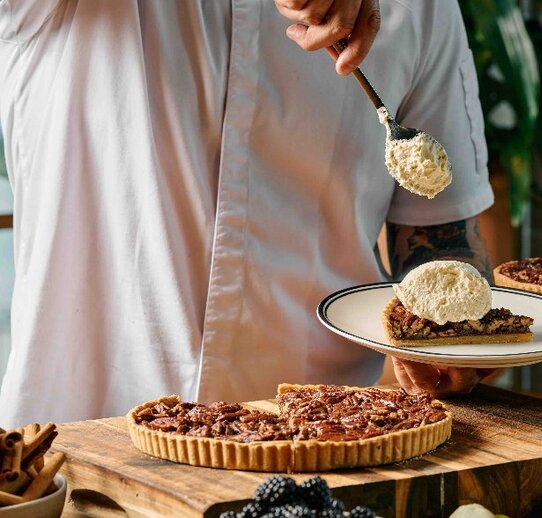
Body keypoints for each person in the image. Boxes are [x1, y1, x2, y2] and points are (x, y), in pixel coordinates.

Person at [0, 0, 496, 425]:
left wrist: (450, 338)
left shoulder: (424, 8)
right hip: (77, 460)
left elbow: (441, 237)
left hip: (324, 450)